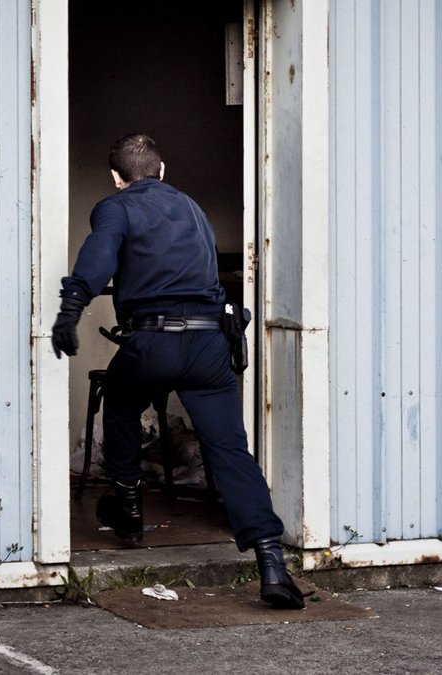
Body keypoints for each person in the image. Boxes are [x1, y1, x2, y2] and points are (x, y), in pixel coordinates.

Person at [52, 133, 305, 610]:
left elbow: (100, 256)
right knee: (230, 448)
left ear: (116, 177)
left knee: (122, 403)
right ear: (162, 170)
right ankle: (271, 561)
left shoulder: (116, 207)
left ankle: (128, 506)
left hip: (151, 340)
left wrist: (71, 310)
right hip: (209, 344)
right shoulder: (192, 208)